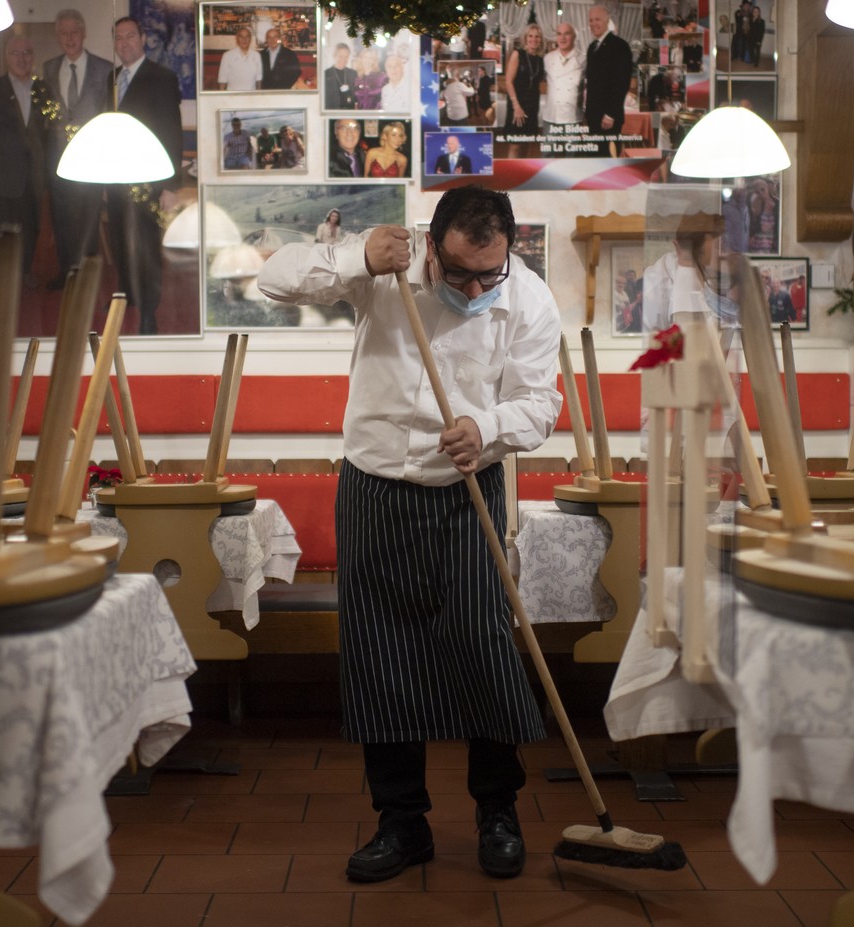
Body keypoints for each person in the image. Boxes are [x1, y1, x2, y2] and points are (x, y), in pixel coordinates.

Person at [257, 185, 562, 886]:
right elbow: (275, 278)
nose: (477, 287)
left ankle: (498, 812)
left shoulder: (530, 299)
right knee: (379, 654)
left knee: (483, 646)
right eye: (460, 274)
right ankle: (402, 821)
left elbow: (539, 403)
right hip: (374, 487)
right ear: (432, 245)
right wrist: (357, 256)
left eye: (491, 272)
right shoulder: (384, 271)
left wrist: (487, 428)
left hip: (466, 490)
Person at [105, 16, 181, 335]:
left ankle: (149, 312)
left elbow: (171, 132)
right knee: (121, 241)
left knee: (147, 247)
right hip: (117, 179)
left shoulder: (161, 77)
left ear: (143, 38)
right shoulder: (112, 78)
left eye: (130, 36)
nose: (124, 43)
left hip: (150, 180)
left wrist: (171, 186)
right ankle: (128, 297)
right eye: (119, 38)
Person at [0, 34, 51, 288]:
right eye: (15, 53)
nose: (22, 58)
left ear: (33, 57)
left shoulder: (44, 89)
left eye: (26, 53)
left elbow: (49, 133)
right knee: (3, 231)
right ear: (7, 57)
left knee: (31, 228)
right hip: (1, 176)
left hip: (34, 176)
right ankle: (3, 279)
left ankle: (25, 272)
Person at [42, 9, 112, 289]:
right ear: (58, 37)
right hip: (58, 159)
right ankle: (67, 271)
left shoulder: (105, 69)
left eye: (74, 32)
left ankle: (86, 272)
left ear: (83, 33)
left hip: (92, 159)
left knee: (88, 215)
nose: (69, 38)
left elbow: (109, 116)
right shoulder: (48, 68)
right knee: (62, 218)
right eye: (63, 33)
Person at [583, 4, 633, 155]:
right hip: (593, 115)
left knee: (608, 158)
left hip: (608, 117)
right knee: (595, 157)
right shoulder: (592, 47)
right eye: (591, 20)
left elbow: (622, 82)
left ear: (607, 21)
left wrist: (611, 114)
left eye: (597, 19)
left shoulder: (620, 46)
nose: (593, 24)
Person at [504, 25, 545, 134]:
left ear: (541, 40)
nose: (534, 39)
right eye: (530, 36)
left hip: (533, 103)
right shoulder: (517, 54)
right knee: (515, 143)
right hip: (517, 101)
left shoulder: (541, 59)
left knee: (527, 139)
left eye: (537, 36)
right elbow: (508, 82)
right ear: (525, 38)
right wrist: (516, 106)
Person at [542, 22, 583, 126]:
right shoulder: (548, 58)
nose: (562, 38)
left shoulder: (583, 59)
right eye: (559, 34)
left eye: (567, 34)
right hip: (551, 117)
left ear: (574, 36)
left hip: (573, 118)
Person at [216, 26, 262, 90]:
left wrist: (258, 96)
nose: (244, 39)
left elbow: (258, 80)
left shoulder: (257, 55)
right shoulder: (227, 56)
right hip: (233, 96)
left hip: (251, 96)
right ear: (237, 39)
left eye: (247, 36)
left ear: (250, 39)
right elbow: (222, 80)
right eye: (241, 37)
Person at [324, 43, 358, 109]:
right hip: (333, 113)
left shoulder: (353, 73)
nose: (343, 59)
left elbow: (356, 96)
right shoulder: (326, 74)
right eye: (340, 56)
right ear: (334, 56)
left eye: (346, 57)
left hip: (349, 113)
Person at [354, 46, 386, 110]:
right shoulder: (356, 78)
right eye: (365, 57)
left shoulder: (382, 77)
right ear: (361, 59)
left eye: (370, 58)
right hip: (360, 116)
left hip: (377, 115)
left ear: (374, 60)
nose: (367, 60)